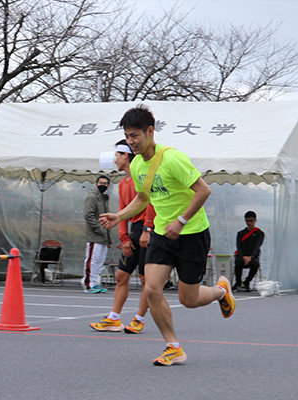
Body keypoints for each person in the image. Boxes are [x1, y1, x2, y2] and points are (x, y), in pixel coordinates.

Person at [99, 105, 236, 366]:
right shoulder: (137, 164)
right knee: (151, 288)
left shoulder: (173, 158)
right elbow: (142, 198)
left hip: (191, 234)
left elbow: (203, 191)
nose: (131, 142)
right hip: (162, 234)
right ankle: (173, 347)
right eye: (127, 137)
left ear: (150, 132)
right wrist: (120, 216)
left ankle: (220, 291)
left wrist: (182, 221)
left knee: (189, 299)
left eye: (135, 136)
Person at [90, 140, 155, 333]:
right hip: (135, 230)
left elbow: (151, 202)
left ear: (125, 155)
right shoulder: (124, 182)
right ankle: (114, 318)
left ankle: (139, 319)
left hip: (149, 230)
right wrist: (124, 238)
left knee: (145, 279)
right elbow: (122, 211)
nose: (115, 159)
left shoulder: (141, 176)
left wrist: (147, 230)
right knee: (121, 275)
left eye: (117, 155)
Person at [82, 175, 111, 294]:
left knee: (100, 260)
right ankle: (88, 284)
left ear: (108, 186)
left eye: (105, 183)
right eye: (101, 183)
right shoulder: (92, 196)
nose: (103, 185)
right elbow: (88, 215)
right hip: (95, 235)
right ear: (96, 184)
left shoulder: (104, 198)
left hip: (103, 235)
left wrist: (107, 236)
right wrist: (99, 229)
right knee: (92, 260)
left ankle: (94, 282)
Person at [233, 211, 265, 292]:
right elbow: (239, 247)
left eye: (251, 221)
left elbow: (257, 246)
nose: (249, 223)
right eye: (247, 221)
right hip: (242, 256)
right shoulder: (240, 233)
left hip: (253, 257)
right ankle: (238, 282)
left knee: (255, 264)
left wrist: (251, 257)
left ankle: (247, 282)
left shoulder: (259, 233)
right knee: (238, 262)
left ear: (255, 220)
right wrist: (243, 256)